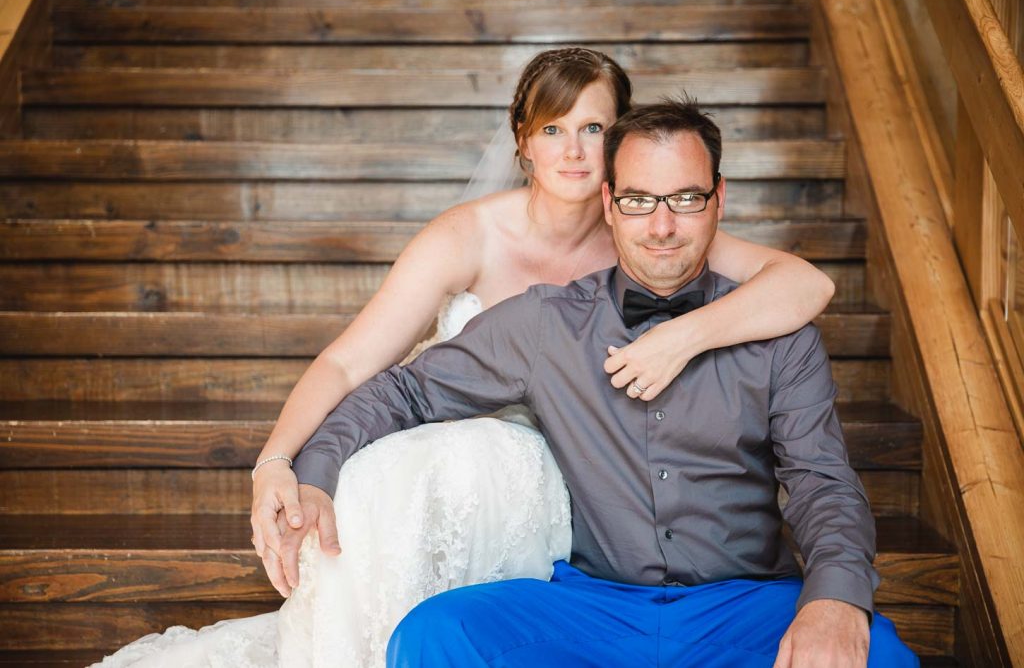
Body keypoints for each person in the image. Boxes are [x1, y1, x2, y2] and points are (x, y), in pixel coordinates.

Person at [92, 49, 834, 667]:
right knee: (395, 483)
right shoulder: (476, 241)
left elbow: (806, 286)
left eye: (594, 128)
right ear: (523, 141)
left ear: (623, 144)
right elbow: (358, 369)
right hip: (494, 453)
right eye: (553, 129)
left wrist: (681, 335)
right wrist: (282, 463)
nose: (574, 150)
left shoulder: (656, 225)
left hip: (596, 481)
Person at [285, 98, 919, 667]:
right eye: (640, 200)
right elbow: (404, 392)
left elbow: (823, 485)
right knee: (435, 635)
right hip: (593, 608)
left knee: (883, 658)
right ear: (611, 205)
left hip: (745, 604)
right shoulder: (545, 323)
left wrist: (836, 599)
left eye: (686, 199)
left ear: (719, 200)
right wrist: (313, 471)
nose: (662, 226)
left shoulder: (782, 335)